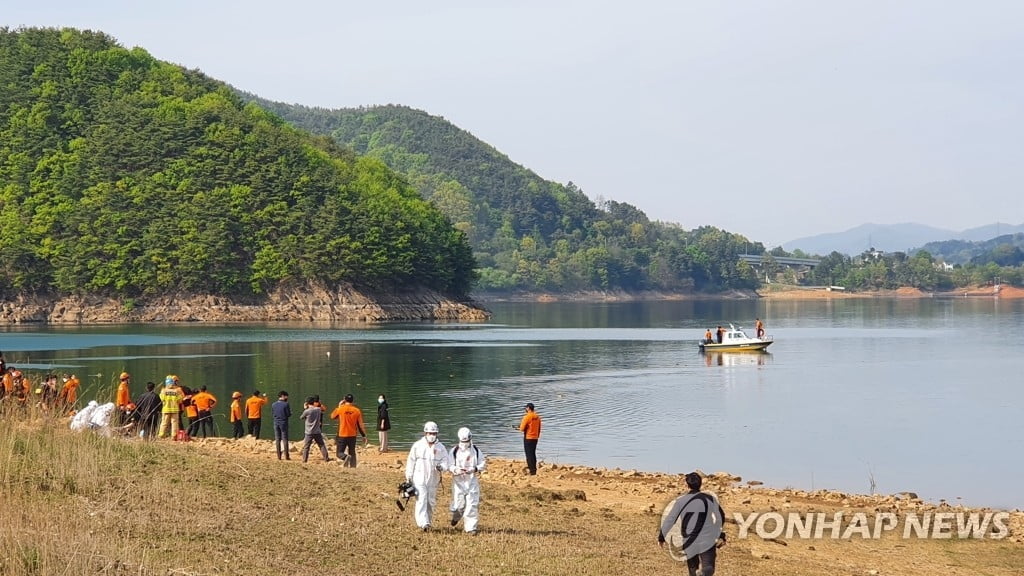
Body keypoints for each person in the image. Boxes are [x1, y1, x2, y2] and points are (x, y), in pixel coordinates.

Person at [658, 472, 727, 576]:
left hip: (689, 539)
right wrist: (719, 533)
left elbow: (670, 519)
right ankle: (704, 573)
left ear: (687, 485)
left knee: (693, 567)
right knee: (709, 567)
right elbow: (720, 517)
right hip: (707, 538)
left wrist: (661, 537)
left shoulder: (680, 501)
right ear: (700, 484)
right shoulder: (709, 499)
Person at [405, 421, 450, 531]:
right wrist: (409, 476)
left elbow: (446, 462)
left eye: (434, 433)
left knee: (430, 501)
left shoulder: (441, 448)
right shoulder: (418, 446)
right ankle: (423, 523)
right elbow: (411, 461)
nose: (432, 435)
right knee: (421, 499)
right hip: (419, 477)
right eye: (430, 433)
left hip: (433, 479)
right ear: (425, 433)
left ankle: (428, 522)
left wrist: (442, 467)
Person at [448, 427, 487, 535]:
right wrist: (456, 470)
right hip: (458, 482)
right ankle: (456, 517)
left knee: (472, 504)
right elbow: (449, 465)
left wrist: (474, 469)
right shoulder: (454, 451)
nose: (465, 444)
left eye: (466, 441)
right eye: (463, 441)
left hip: (471, 481)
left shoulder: (476, 451)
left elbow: (482, 464)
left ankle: (470, 528)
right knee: (458, 506)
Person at [330, 393, 366, 467]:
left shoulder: (340, 409)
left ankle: (345, 457)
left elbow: (333, 416)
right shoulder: (357, 411)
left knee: (339, 453)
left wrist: (339, 406)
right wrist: (364, 436)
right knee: (352, 452)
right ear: (352, 401)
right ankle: (353, 467)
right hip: (352, 435)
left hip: (342, 434)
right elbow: (360, 425)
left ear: (344, 400)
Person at [299, 396, 330, 463]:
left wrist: (305, 408)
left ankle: (304, 460)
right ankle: (326, 458)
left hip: (309, 432)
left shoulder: (307, 411)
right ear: (313, 402)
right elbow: (322, 409)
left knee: (306, 447)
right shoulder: (318, 410)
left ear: (307, 403)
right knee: (321, 445)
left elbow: (301, 417)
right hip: (317, 431)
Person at [516, 403, 542, 475]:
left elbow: (522, 429)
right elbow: (539, 428)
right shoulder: (537, 417)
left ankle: (531, 470)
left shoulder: (527, 417)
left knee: (528, 454)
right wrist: (537, 435)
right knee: (533, 453)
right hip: (535, 438)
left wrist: (518, 427)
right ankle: (534, 469)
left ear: (528, 408)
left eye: (526, 408)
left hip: (528, 438)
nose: (525, 409)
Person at [271, 391, 292, 460]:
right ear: (283, 396)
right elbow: (288, 414)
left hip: (276, 422)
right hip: (283, 422)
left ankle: (279, 456)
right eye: (286, 396)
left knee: (277, 439)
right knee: (285, 439)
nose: (287, 398)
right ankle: (286, 456)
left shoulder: (273, 404)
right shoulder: (286, 404)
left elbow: (273, 413)